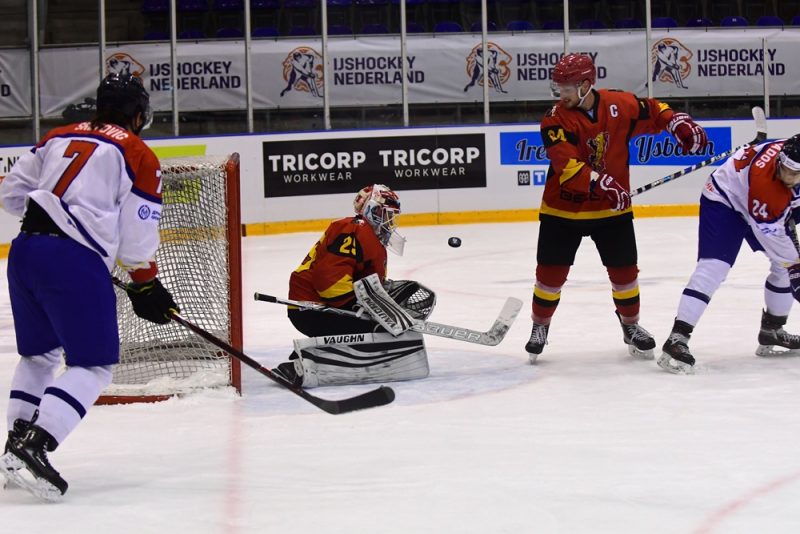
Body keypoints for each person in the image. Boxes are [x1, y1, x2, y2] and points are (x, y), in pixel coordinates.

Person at [0, 73, 178, 501]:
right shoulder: (138, 152)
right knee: (93, 366)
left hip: (23, 253)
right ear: (138, 114)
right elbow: (137, 238)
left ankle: (13, 446)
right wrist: (144, 283)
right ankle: (35, 445)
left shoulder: (57, 136)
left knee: (39, 356)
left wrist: (55, 221)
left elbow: (9, 193)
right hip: (72, 263)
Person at [526, 53, 708, 363]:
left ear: (585, 85)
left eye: (566, 88)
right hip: (563, 211)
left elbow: (653, 109)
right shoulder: (555, 118)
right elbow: (565, 164)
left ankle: (631, 327)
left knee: (625, 274)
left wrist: (677, 122)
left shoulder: (618, 104)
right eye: (558, 88)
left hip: (612, 211)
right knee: (550, 276)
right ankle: (539, 326)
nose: (561, 94)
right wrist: (600, 182)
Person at [658, 135, 800, 374]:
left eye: (795, 173)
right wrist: (795, 268)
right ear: (779, 161)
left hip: (761, 205)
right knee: (714, 267)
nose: (789, 177)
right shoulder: (768, 189)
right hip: (726, 199)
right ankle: (677, 338)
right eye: (785, 170)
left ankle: (772, 330)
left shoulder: (789, 150)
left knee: (784, 268)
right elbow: (776, 234)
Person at [273, 184, 434, 388]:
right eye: (385, 214)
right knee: (379, 330)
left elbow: (366, 282)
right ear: (371, 209)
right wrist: (363, 307)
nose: (390, 222)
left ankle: (314, 353)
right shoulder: (354, 229)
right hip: (312, 308)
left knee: (385, 327)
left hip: (327, 306)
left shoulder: (370, 237)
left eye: (392, 216)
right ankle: (305, 363)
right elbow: (328, 282)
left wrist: (380, 298)